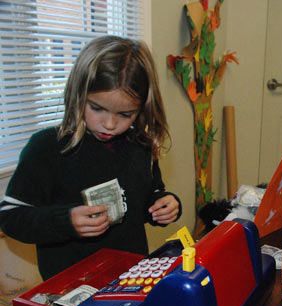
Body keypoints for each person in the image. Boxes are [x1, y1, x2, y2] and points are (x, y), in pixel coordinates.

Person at [0, 36, 182, 280]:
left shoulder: (141, 145)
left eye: (125, 114)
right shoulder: (47, 147)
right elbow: (10, 216)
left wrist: (163, 204)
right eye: (97, 108)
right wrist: (66, 221)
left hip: (131, 278)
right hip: (71, 290)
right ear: (78, 93)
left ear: (142, 109)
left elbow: (146, 197)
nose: (109, 124)